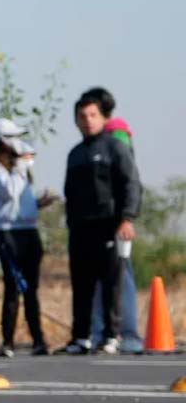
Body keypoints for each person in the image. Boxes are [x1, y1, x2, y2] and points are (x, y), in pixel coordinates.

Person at [62, 87, 141, 354]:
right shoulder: (75, 154)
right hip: (81, 228)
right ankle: (80, 337)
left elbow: (131, 184)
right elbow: (70, 193)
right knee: (81, 284)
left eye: (92, 115)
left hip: (109, 225)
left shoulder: (115, 148)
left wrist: (127, 218)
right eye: (82, 116)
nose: (87, 120)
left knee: (111, 283)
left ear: (103, 117)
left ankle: (111, 335)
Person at [0, 119, 50, 357]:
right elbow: (9, 191)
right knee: (14, 285)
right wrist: (21, 164)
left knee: (32, 288)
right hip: (7, 233)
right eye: (11, 138)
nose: (17, 143)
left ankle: (38, 340)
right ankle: (7, 342)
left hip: (29, 231)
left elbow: (21, 196)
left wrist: (37, 203)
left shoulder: (19, 168)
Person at [91, 115, 143, 352]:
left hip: (116, 222)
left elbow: (130, 183)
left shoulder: (116, 132)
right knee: (104, 280)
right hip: (101, 223)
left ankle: (128, 335)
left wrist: (126, 217)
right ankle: (103, 333)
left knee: (121, 278)